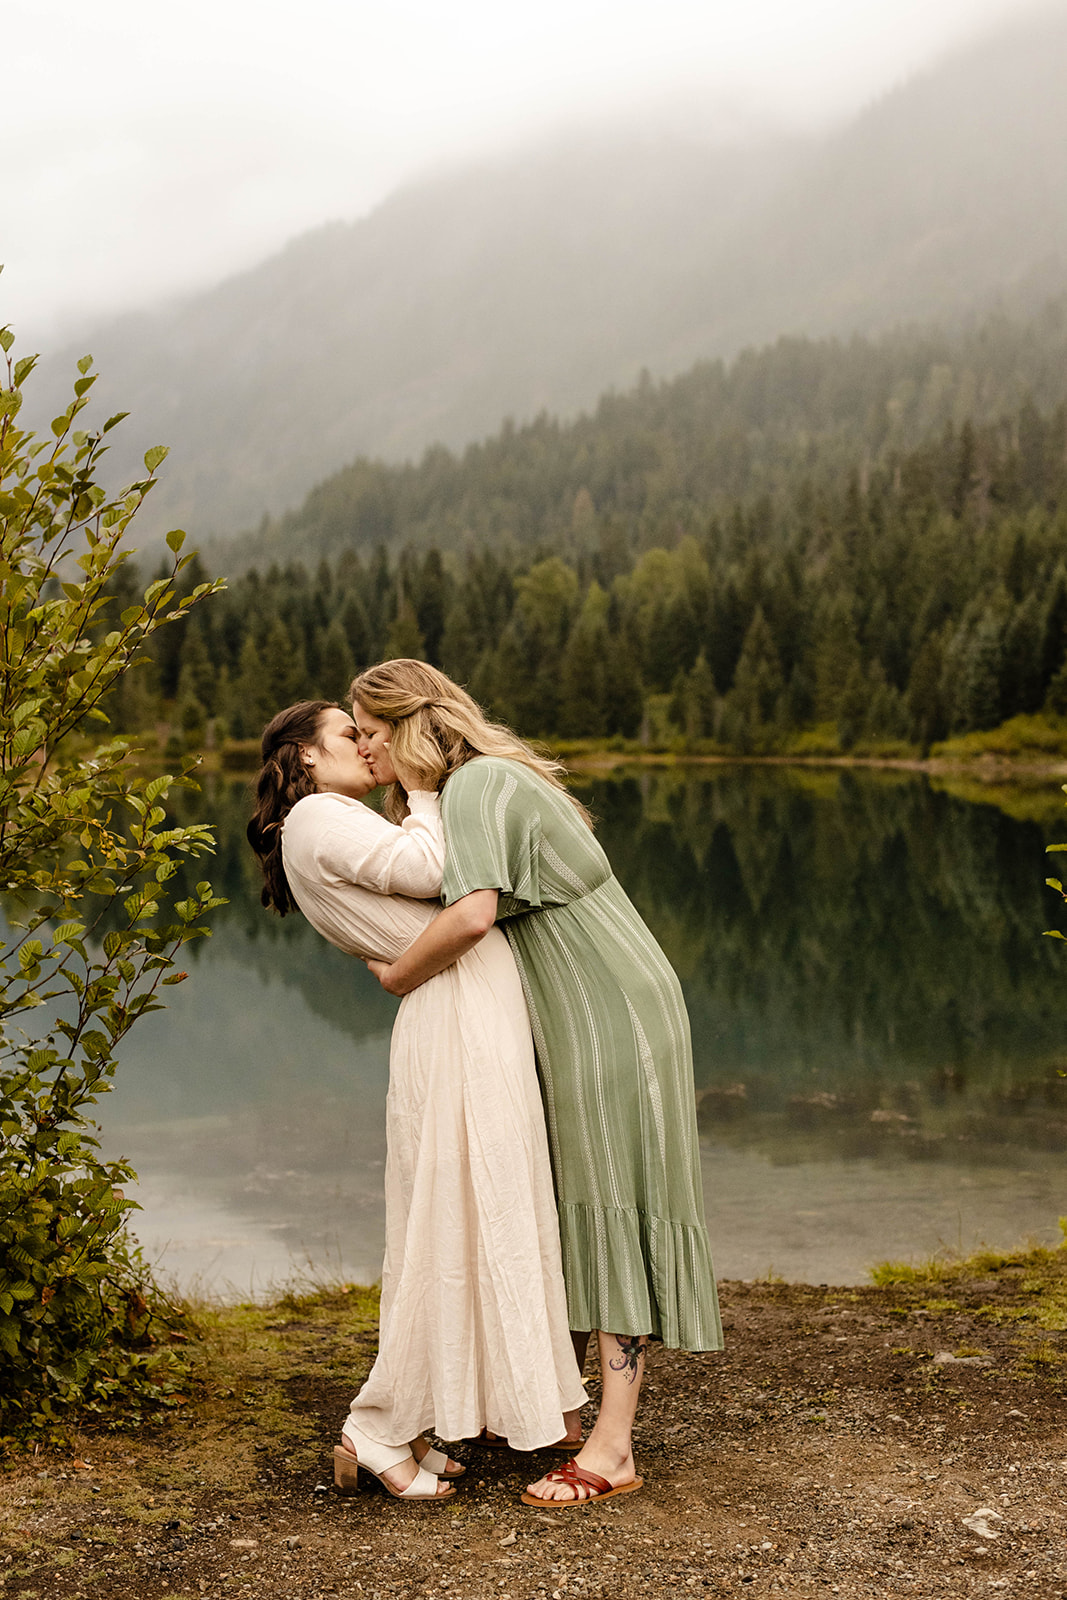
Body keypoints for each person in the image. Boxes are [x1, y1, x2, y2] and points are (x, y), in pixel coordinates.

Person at [350, 661, 723, 1509]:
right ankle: (554, 1406)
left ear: (408, 724)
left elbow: (473, 912)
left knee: (607, 1204)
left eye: (368, 729)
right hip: (591, 1005)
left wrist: (395, 974)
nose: (362, 746)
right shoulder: (475, 787)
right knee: (574, 1199)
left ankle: (613, 1447)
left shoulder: (478, 784)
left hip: (604, 1010)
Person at [246, 700, 585, 1506]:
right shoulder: (320, 817)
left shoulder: (327, 820)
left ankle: (477, 1410)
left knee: (478, 1209)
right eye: (346, 735)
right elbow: (437, 873)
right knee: (452, 1215)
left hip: (461, 1009)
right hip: (456, 1015)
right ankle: (378, 1429)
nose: (365, 747)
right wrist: (430, 787)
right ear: (300, 759)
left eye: (370, 732)